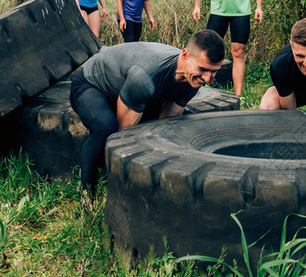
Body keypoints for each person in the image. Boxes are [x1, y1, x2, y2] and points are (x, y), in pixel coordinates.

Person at [69, 30, 225, 207]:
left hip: (129, 92)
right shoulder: (144, 77)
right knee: (107, 128)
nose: (207, 78)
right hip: (91, 85)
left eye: (214, 72)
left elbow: (167, 122)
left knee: (186, 123)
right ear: (185, 55)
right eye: (203, 69)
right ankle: (88, 195)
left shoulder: (193, 79)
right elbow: (122, 138)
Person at [192, 0, 263, 98]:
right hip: (218, 11)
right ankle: (211, 83)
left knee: (239, 53)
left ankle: (238, 97)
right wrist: (197, 6)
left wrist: (259, 7)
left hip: (241, 12)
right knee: (209, 50)